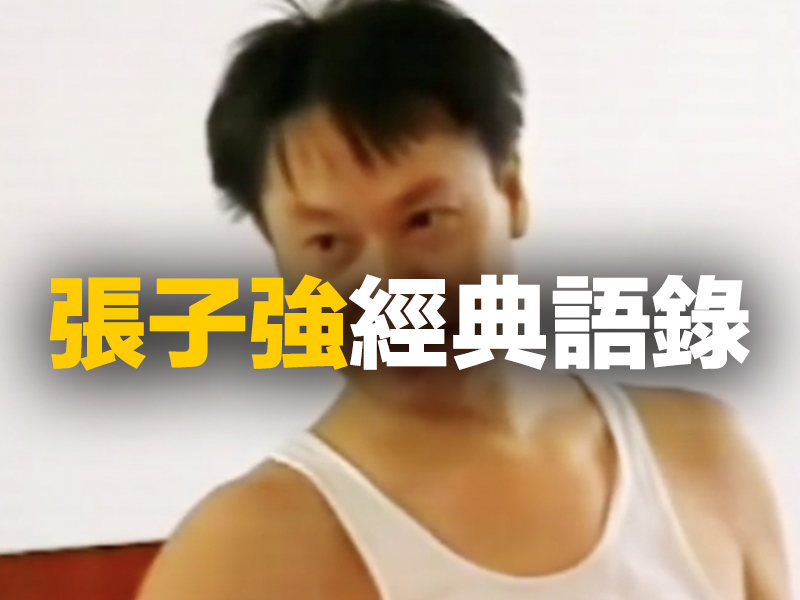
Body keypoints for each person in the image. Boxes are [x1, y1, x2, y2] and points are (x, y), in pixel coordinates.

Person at [136, 1, 790, 599]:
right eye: (328, 243)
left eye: (425, 220)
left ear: (512, 192)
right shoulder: (242, 556)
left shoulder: (703, 456)